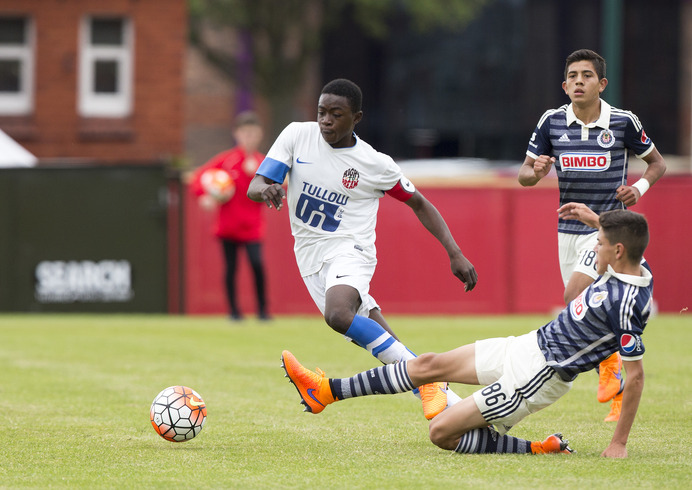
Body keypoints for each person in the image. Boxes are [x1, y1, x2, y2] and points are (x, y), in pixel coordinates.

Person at [282, 209, 652, 459]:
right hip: (527, 344)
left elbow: (634, 378)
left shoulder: (627, 302)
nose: (594, 246)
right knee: (429, 365)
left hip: (540, 376)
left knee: (441, 433)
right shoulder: (630, 261)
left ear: (618, 251)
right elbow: (622, 238)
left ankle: (536, 447)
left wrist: (618, 442)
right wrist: (595, 219)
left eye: (600, 242)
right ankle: (326, 392)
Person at [248, 78, 478, 419]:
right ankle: (453, 406)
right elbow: (256, 184)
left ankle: (433, 388)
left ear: (356, 118)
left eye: (336, 114)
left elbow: (419, 203)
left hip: (350, 249)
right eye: (322, 112)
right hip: (309, 256)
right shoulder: (297, 135)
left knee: (338, 314)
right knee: (380, 340)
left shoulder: (374, 163)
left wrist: (454, 252)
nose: (326, 120)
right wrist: (264, 190)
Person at [517, 49, 666, 421]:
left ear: (601, 84)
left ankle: (611, 367)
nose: (578, 81)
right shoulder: (551, 122)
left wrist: (640, 189)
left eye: (587, 75)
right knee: (583, 307)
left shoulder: (622, 122)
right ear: (564, 85)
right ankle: (614, 368)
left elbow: (657, 163)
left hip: (606, 228)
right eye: (572, 76)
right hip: (566, 230)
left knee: (574, 294)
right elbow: (524, 177)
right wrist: (536, 171)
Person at [190, 111, 271, 321]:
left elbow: (279, 184)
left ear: (260, 135)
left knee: (257, 265)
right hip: (228, 226)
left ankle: (263, 311)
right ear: (237, 134)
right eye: (245, 133)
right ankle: (234, 312)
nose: (249, 138)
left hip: (252, 227)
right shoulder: (227, 160)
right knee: (231, 269)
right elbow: (198, 177)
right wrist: (204, 195)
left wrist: (257, 176)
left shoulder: (265, 163)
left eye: (253, 133)